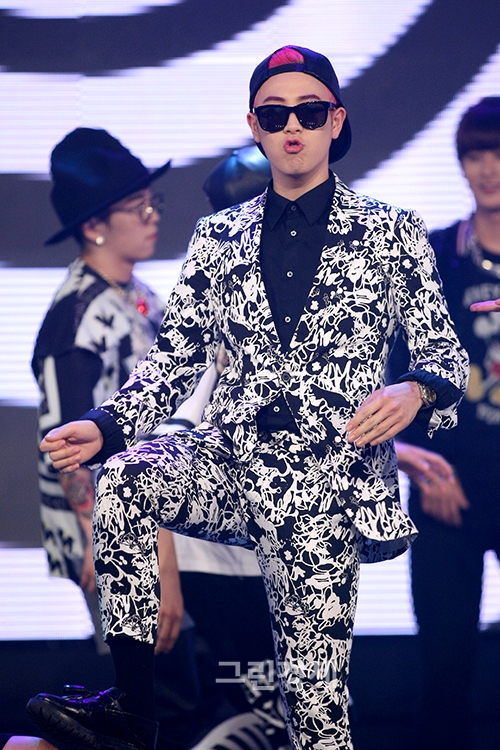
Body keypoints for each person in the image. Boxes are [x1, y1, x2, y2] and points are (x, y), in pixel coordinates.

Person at [26, 45, 468, 750]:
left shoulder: (393, 233)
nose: (292, 126)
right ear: (254, 125)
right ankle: (134, 708)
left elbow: (445, 354)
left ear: (336, 122)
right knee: (128, 479)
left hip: (325, 492)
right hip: (232, 468)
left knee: (316, 720)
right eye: (275, 113)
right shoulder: (217, 236)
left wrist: (415, 390)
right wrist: (107, 426)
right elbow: (175, 361)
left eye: (309, 112)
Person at [31, 127, 183, 657]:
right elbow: (68, 442)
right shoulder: (76, 317)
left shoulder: (138, 295)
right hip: (113, 534)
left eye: (152, 202)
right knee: (153, 680)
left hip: (159, 516)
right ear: (94, 226)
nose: (153, 216)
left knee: (182, 677)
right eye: (137, 208)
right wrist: (105, 542)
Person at [391, 96, 500, 750]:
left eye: (499, 153)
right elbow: (388, 377)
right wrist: (416, 462)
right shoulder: (432, 257)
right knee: (444, 670)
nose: (488, 169)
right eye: (475, 155)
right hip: (446, 492)